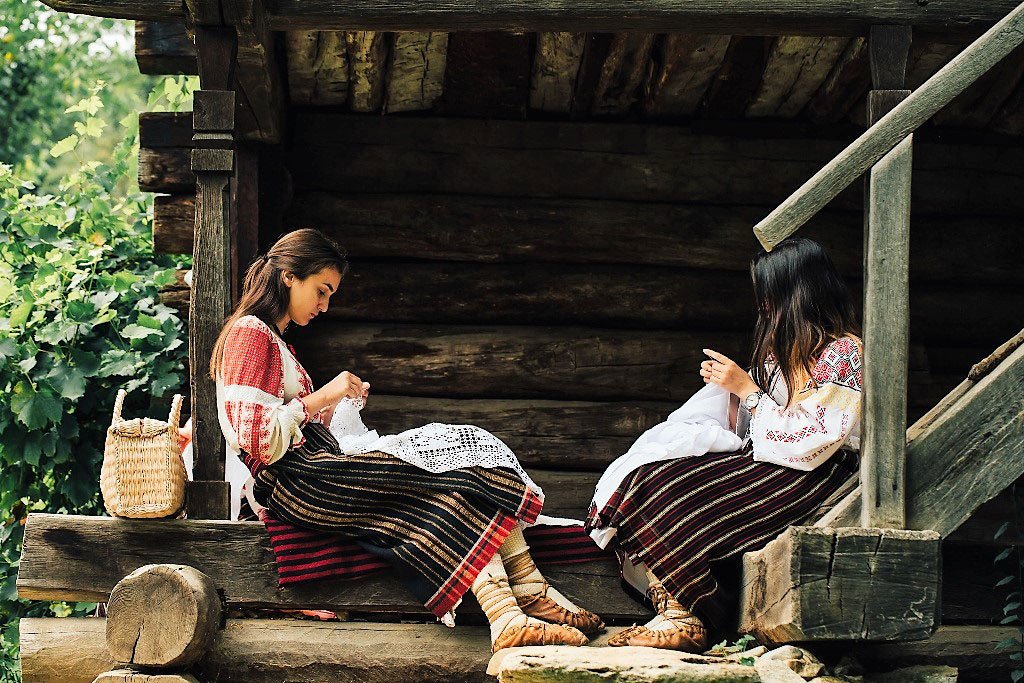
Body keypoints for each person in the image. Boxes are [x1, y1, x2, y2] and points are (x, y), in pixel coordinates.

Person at [209, 228, 602, 652]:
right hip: (298, 479)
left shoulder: (272, 341)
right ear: (289, 276)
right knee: (451, 478)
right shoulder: (250, 333)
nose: (325, 306)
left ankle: (518, 603)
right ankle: (514, 607)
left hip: (310, 470)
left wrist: (334, 405)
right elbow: (258, 439)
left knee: (460, 472)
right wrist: (326, 394)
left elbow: (287, 420)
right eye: (321, 291)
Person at [586, 236, 863, 651]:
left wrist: (746, 388)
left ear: (799, 293)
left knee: (682, 494)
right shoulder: (780, 357)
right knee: (651, 479)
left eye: (770, 296)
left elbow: (815, 440)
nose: (765, 307)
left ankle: (692, 615)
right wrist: (732, 393)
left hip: (817, 474)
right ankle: (675, 609)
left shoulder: (844, 353)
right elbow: (758, 428)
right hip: (774, 462)